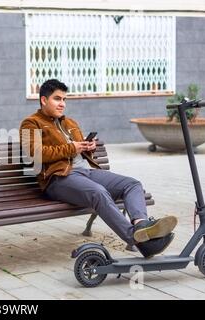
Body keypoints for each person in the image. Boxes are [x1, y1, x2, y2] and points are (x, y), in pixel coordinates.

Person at [20, 79, 177, 258]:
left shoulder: (69, 122)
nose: (62, 104)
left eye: (64, 99)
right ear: (43, 100)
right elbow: (35, 154)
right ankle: (138, 240)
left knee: (132, 184)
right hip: (58, 179)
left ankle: (141, 225)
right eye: (57, 99)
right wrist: (73, 148)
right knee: (99, 193)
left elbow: (80, 149)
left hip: (87, 172)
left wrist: (88, 147)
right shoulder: (30, 123)